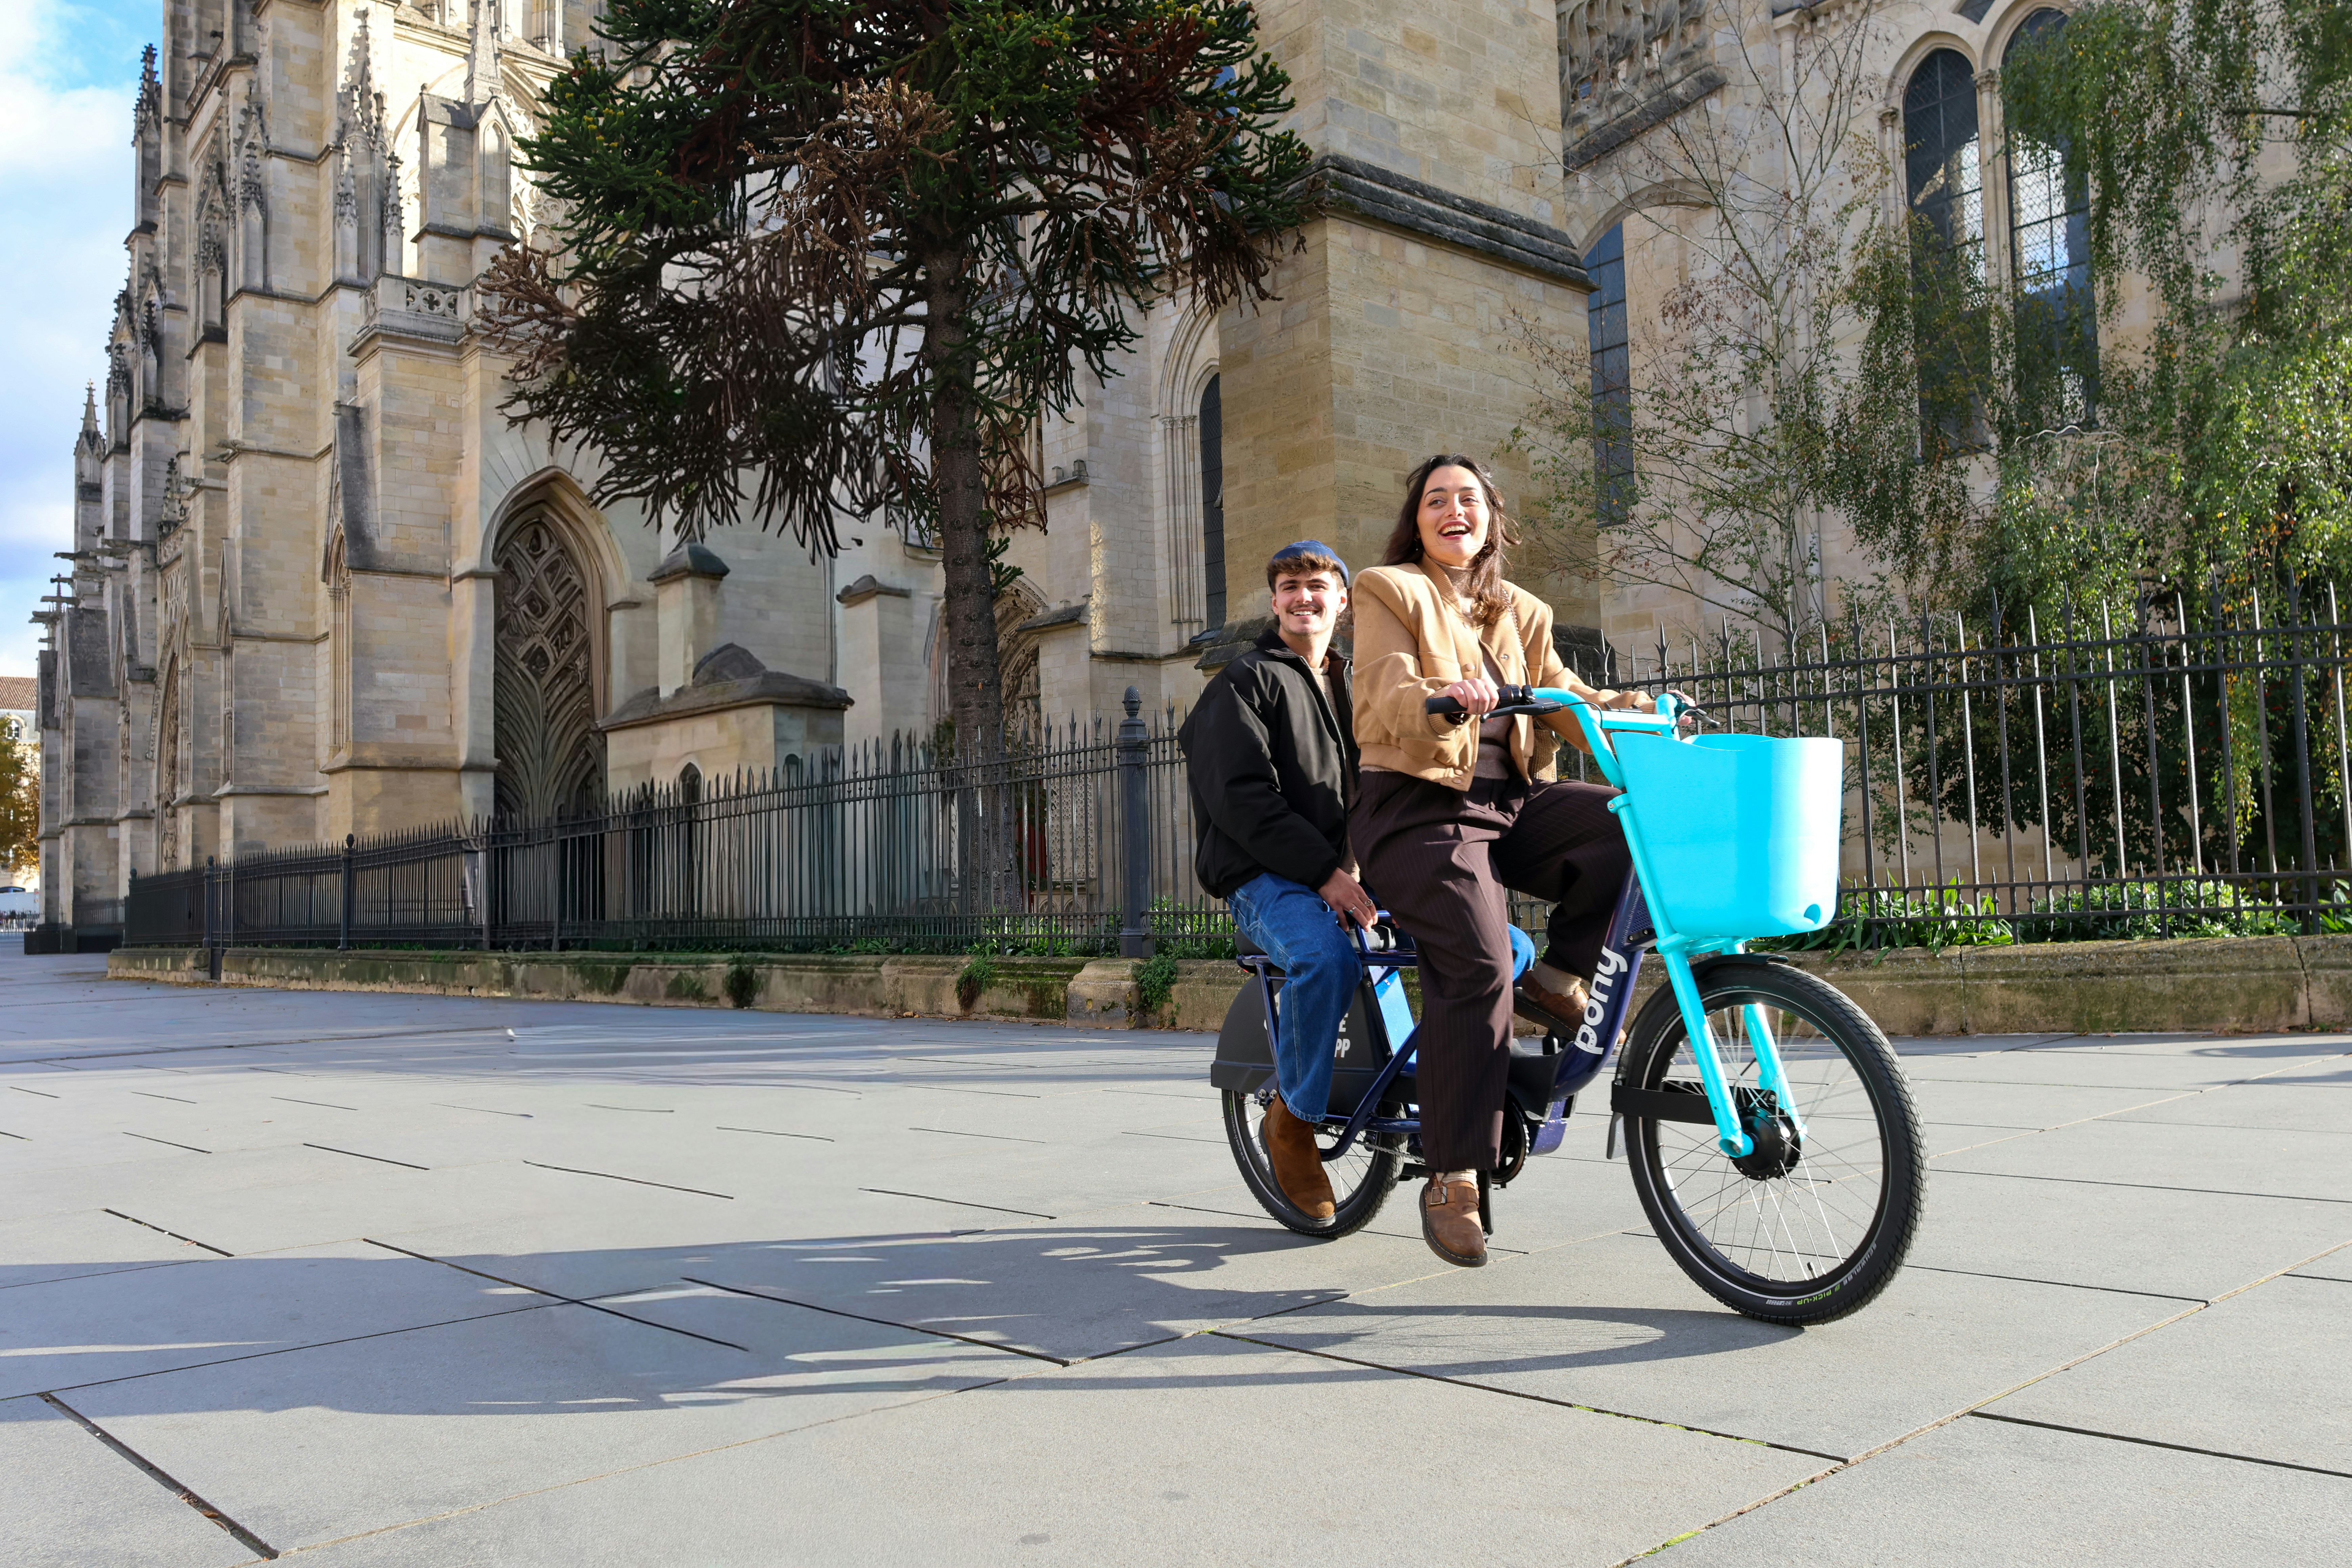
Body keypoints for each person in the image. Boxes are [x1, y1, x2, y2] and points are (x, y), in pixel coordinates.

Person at [1350, 454, 1658, 1268]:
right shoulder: (1389, 589)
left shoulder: (1522, 610)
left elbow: (1570, 697)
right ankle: (1453, 1171)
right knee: (1480, 962)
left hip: (1509, 805)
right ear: (1417, 520)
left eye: (1469, 498)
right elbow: (1384, 685)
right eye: (1436, 500)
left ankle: (1555, 981)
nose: (1454, 510)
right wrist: (1441, 698)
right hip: (1416, 810)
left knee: (1627, 827)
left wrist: (1638, 707)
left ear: (1491, 517)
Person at [1178, 540, 1376, 1224]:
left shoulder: (1355, 682)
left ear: (1341, 600)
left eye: (1317, 584)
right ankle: (1292, 1120)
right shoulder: (1243, 680)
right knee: (1324, 958)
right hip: (1263, 877)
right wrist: (1326, 875)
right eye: (1289, 586)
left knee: (1492, 940)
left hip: (1341, 874)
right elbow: (1242, 801)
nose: (1303, 596)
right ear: (1274, 603)